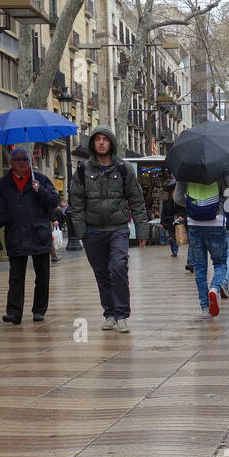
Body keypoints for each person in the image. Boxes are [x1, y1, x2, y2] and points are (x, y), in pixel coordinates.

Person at [67, 126, 146, 333]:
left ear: (111, 143)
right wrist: (81, 230)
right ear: (93, 144)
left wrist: (142, 230)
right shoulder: (83, 169)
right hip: (92, 232)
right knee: (102, 274)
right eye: (97, 139)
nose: (101, 142)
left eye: (105, 139)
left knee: (118, 267)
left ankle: (121, 315)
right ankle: (109, 314)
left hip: (118, 228)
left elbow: (136, 200)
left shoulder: (123, 168)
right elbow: (75, 203)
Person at [0, 147, 59, 324]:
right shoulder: (1, 185)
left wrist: (40, 190)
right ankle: (14, 312)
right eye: (18, 159)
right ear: (11, 163)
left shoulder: (41, 179)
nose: (22, 162)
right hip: (16, 235)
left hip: (39, 234)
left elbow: (54, 201)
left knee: (42, 276)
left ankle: (39, 310)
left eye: (25, 159)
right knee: (15, 277)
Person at [174, 173, 229, 316]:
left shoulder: (187, 168)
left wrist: (192, 205)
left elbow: (177, 197)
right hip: (216, 222)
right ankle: (214, 288)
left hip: (194, 223)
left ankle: (205, 306)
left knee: (200, 266)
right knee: (220, 263)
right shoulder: (221, 167)